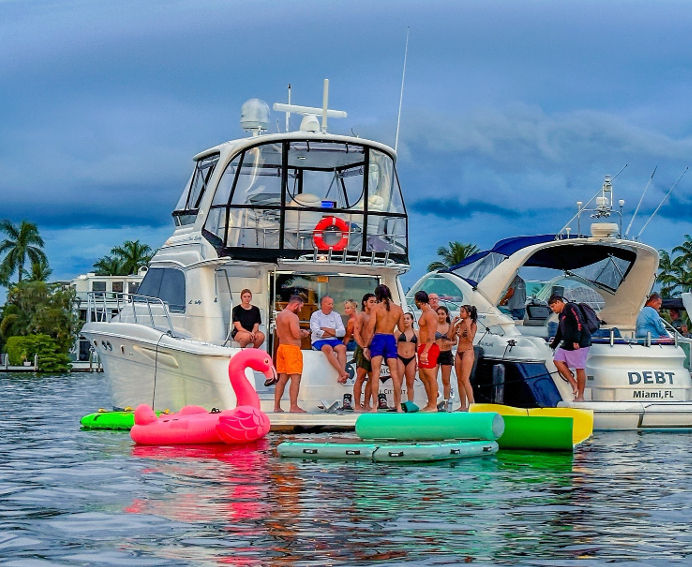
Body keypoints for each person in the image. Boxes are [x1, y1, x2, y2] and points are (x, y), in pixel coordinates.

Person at [364, 284, 406, 412]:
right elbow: (402, 329)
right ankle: (398, 406)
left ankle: (375, 406)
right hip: (390, 338)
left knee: (375, 373)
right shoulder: (398, 309)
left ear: (378, 295)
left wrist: (366, 346)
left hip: (378, 339)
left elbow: (370, 328)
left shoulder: (376, 308)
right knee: (395, 374)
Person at [548, 295, 592, 402]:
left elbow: (579, 322)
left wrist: (576, 340)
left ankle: (580, 396)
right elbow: (560, 331)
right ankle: (574, 383)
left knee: (579, 367)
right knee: (557, 360)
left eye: (553, 306)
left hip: (580, 342)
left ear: (559, 302)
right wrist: (553, 345)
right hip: (568, 343)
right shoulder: (561, 314)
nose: (553, 310)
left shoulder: (571, 307)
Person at [274, 295, 311, 413]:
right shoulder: (293, 316)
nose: (300, 309)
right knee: (296, 378)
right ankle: (293, 406)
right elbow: (295, 334)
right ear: (296, 305)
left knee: (282, 379)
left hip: (281, 348)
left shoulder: (280, 315)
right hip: (292, 349)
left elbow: (280, 334)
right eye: (300, 307)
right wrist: (304, 333)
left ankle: (277, 406)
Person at [310, 295, 349, 383]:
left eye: (332, 304)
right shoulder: (315, 315)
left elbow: (342, 332)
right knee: (327, 348)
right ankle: (342, 373)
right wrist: (334, 332)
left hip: (334, 340)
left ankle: (340, 376)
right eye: (329, 304)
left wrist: (326, 329)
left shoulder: (336, 315)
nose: (331, 306)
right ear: (323, 304)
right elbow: (317, 332)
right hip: (318, 341)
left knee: (342, 348)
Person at [413, 290, 440, 412]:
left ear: (418, 301)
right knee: (422, 376)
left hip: (429, 347)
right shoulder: (425, 313)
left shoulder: (430, 314)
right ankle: (431, 401)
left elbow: (432, 335)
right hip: (424, 347)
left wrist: (425, 351)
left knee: (430, 376)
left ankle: (433, 404)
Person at [451, 305, 477, 411]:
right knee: (459, 379)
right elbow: (450, 336)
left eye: (462, 312)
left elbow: (470, 339)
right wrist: (453, 324)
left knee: (465, 379)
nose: (460, 313)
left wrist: (467, 325)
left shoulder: (473, 324)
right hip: (459, 352)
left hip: (468, 351)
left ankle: (472, 404)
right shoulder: (459, 324)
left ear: (468, 313)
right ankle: (462, 405)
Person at [353, 293, 376, 411]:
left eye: (375, 302)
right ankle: (357, 405)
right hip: (363, 349)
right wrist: (363, 348)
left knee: (372, 378)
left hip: (374, 349)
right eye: (371, 301)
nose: (374, 304)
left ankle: (366, 404)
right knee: (361, 377)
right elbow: (356, 333)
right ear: (365, 303)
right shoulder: (361, 315)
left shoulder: (375, 316)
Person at [435, 306, 455, 409]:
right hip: (435, 353)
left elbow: (455, 340)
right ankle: (434, 399)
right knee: (432, 379)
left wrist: (449, 342)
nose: (440, 316)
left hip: (446, 353)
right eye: (438, 314)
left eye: (442, 314)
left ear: (446, 315)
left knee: (445, 380)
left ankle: (447, 403)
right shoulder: (434, 326)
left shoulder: (450, 326)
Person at [397, 312, 418, 403]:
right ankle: (397, 404)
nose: (405, 320)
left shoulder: (416, 333)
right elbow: (393, 346)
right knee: (398, 383)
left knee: (410, 384)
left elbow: (418, 347)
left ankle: (410, 404)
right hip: (399, 358)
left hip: (411, 358)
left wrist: (417, 361)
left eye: (408, 318)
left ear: (412, 320)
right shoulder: (398, 332)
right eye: (404, 319)